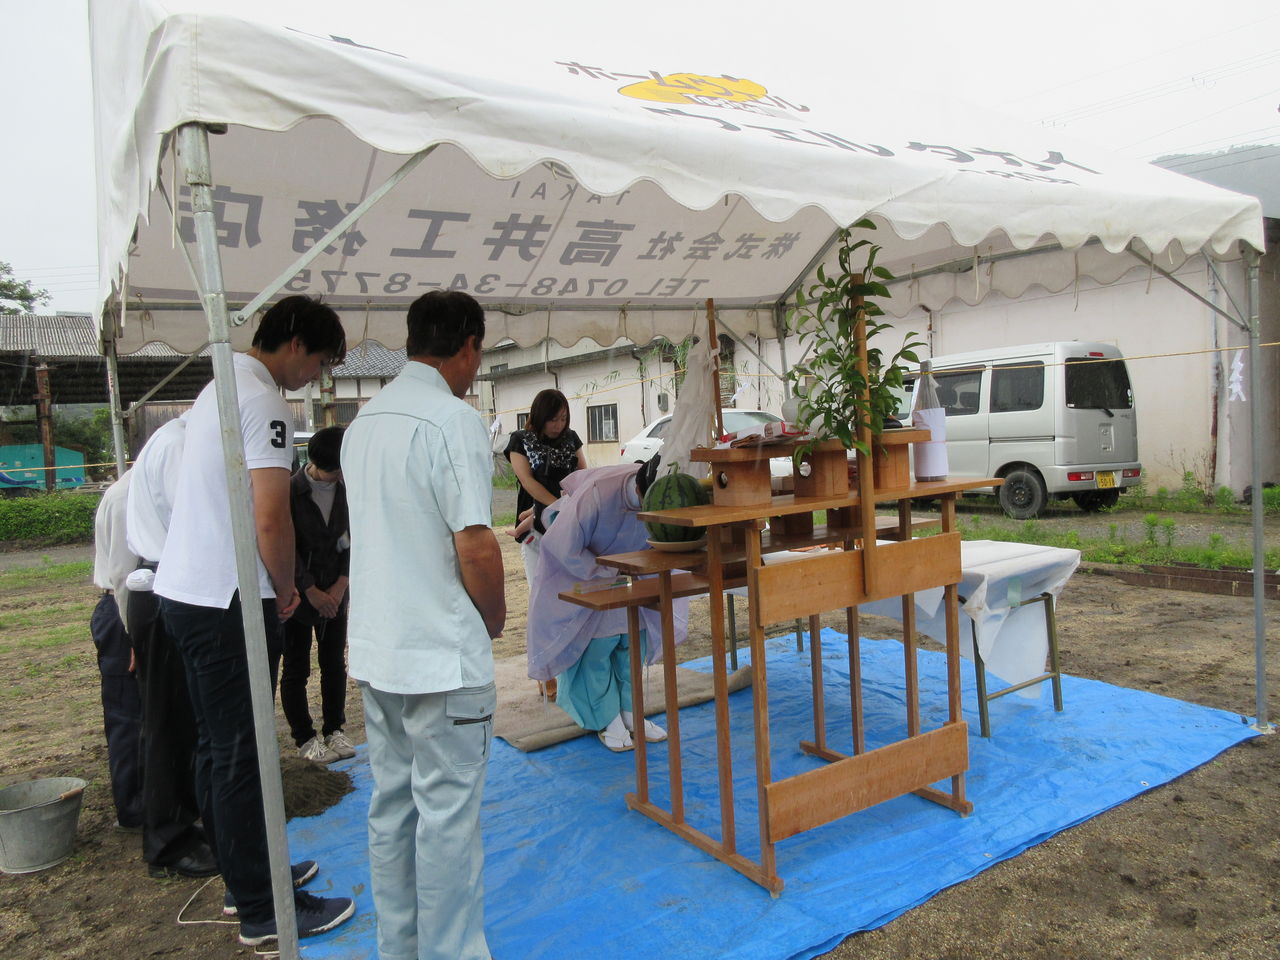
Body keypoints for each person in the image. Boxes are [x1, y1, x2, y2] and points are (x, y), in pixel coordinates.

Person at [154, 294, 354, 947]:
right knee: (243, 753)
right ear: (295, 344)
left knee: (218, 747)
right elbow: (271, 516)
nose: (315, 378)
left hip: (188, 592)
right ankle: (264, 907)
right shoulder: (264, 400)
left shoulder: (219, 385)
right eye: (319, 363)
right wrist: (287, 586)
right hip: (227, 598)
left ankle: (247, 872)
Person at [343, 290, 505, 960]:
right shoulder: (452, 419)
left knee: (392, 808)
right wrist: (493, 618)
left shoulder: (364, 422)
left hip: (380, 648)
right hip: (440, 655)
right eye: (478, 353)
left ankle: (400, 948)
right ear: (467, 347)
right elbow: (476, 544)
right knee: (447, 823)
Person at [526, 459, 689, 751]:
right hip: (586, 575)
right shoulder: (597, 494)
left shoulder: (666, 497)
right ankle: (606, 719)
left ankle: (631, 712)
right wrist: (605, 571)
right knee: (597, 651)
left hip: (634, 576)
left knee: (632, 645)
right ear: (639, 490)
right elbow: (561, 545)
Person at [123, 414, 219, 879]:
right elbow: (198, 525)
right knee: (167, 722)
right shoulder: (182, 446)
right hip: (168, 584)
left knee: (180, 719)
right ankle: (167, 840)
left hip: (163, 583)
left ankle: (183, 823)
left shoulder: (172, 439)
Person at [281, 426, 354, 765]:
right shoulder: (290, 491)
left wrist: (340, 586)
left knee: (334, 663)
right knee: (296, 668)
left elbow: (353, 540)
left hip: (335, 593)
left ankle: (334, 728)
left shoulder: (348, 491)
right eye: (336, 470)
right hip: (298, 597)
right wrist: (308, 589)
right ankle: (304, 737)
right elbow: (285, 546)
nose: (339, 476)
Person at [90, 475, 145, 833]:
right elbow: (124, 574)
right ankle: (134, 809)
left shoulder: (136, 489)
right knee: (128, 717)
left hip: (133, 609)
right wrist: (134, 633)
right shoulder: (129, 495)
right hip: (124, 611)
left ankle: (154, 799)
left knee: (145, 713)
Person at [503, 388, 586, 585]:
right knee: (540, 587)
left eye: (563, 419)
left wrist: (567, 507)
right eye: (553, 419)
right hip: (537, 528)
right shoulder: (520, 440)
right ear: (540, 416)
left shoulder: (571, 438)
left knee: (570, 588)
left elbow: (582, 474)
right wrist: (558, 506)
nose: (559, 425)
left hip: (568, 524)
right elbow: (527, 481)